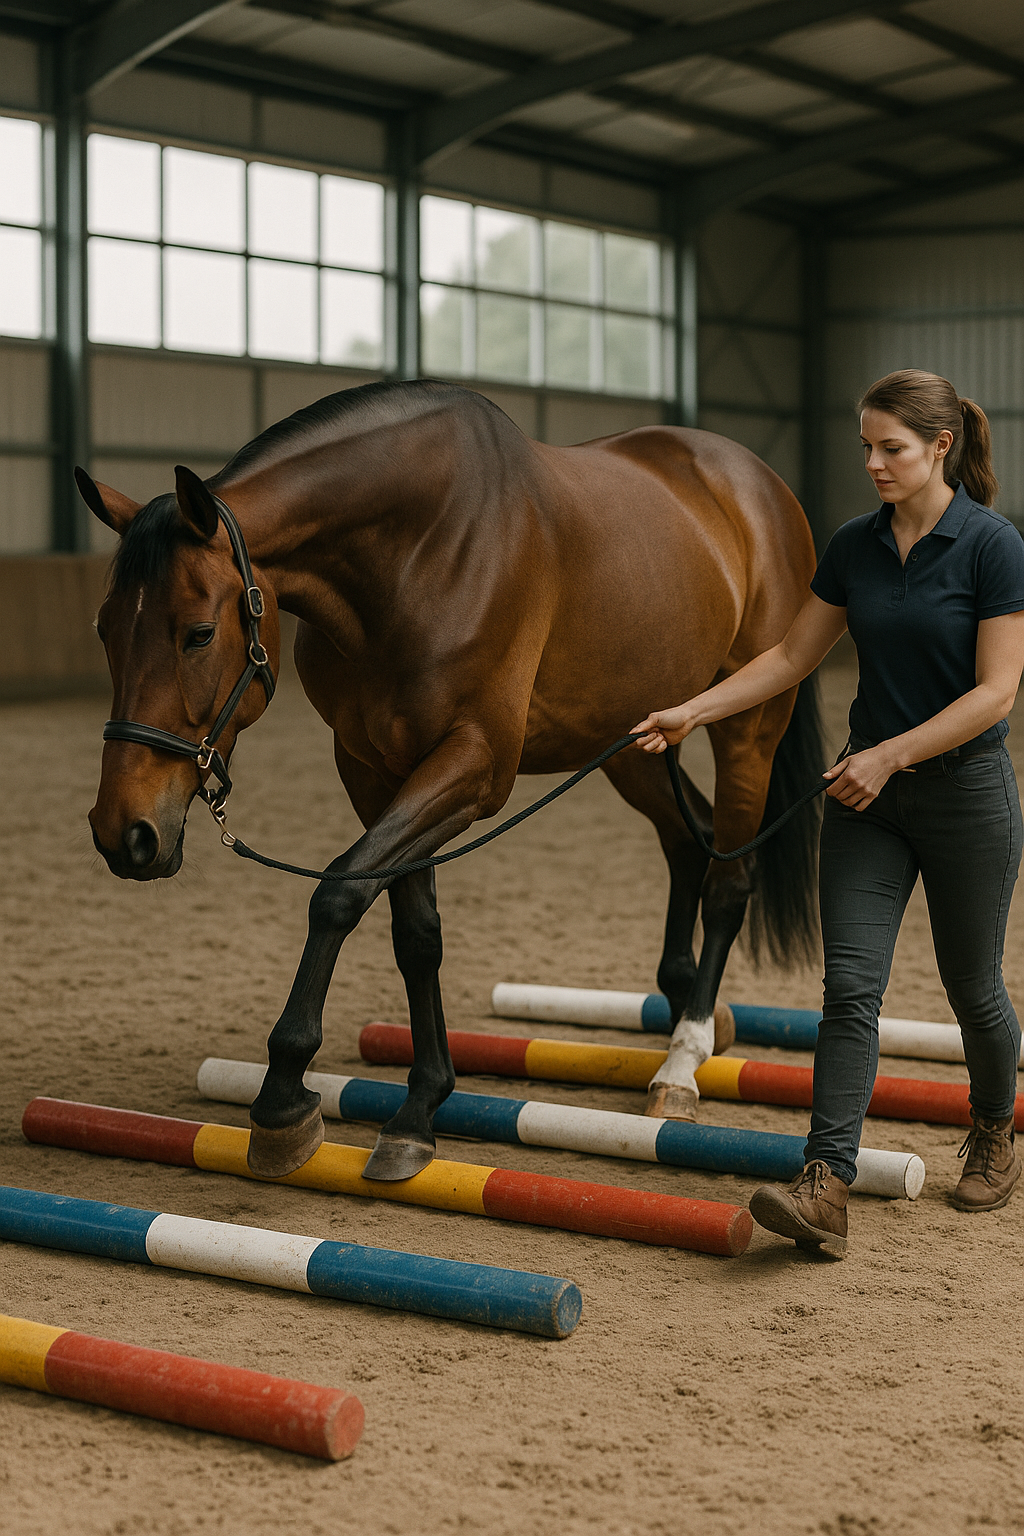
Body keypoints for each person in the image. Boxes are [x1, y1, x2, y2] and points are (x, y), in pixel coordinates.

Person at [632, 369, 1024, 1258]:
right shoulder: (854, 545)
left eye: (891, 448)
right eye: (866, 449)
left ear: (941, 446)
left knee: (974, 989)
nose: (875, 464)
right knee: (850, 989)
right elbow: (791, 654)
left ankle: (996, 1130)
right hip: (866, 808)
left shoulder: (994, 547)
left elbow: (998, 693)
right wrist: (694, 709)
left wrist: (888, 755)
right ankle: (826, 1184)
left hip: (964, 797)